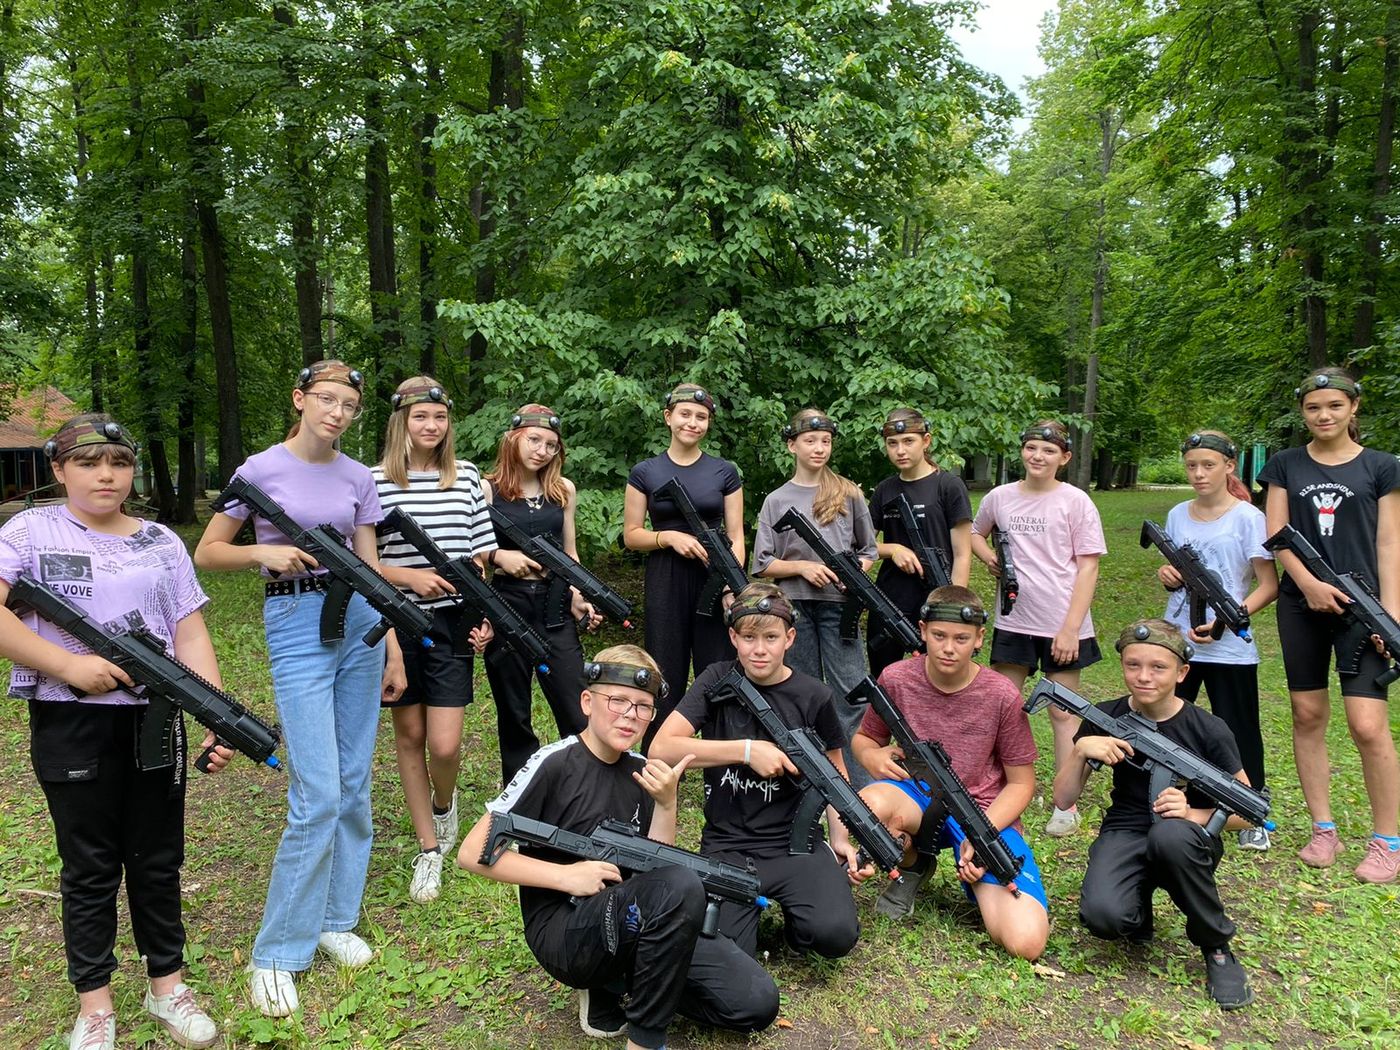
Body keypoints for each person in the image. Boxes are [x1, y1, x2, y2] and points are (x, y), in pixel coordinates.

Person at [0, 414, 233, 1050]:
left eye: (120, 463)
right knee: (90, 865)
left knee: (158, 859)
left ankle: (168, 987)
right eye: (87, 463)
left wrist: (214, 715)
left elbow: (188, 631)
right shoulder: (28, 531)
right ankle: (95, 1006)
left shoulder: (161, 540)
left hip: (155, 715)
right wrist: (68, 665)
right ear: (58, 469)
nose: (106, 476)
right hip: (71, 718)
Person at [195, 360, 406, 1016]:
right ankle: (277, 953)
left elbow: (371, 566)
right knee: (317, 793)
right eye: (327, 399)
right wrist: (261, 553)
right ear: (300, 399)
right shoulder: (259, 470)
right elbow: (208, 551)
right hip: (295, 618)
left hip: (361, 621)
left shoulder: (358, 476)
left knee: (354, 782)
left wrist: (393, 646)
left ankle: (335, 920)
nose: (337, 413)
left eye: (349, 405)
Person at [457, 644, 779, 1050]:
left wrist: (667, 803)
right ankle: (643, 1037)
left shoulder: (642, 770)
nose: (630, 715)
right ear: (587, 702)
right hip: (565, 929)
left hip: (632, 917)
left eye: (643, 707)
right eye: (618, 701)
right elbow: (472, 852)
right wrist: (566, 876)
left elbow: (658, 872)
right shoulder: (554, 762)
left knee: (755, 1002)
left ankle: (623, 983)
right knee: (681, 886)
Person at [649, 582, 873, 962]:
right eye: (749, 637)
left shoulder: (814, 695)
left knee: (834, 934)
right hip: (728, 843)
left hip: (795, 844)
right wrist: (747, 751)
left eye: (771, 637)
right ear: (733, 638)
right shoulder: (716, 679)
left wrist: (840, 839)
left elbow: (835, 772)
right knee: (727, 952)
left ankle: (797, 925)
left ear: (790, 639)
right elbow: (662, 748)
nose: (759, 649)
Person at [1054, 619, 1256, 1010]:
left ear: (1182, 672)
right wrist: (1080, 751)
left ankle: (1217, 948)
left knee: (1169, 836)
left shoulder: (1208, 729)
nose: (1144, 676)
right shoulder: (1106, 716)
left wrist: (1193, 814)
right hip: (1126, 830)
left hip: (1186, 838)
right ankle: (1137, 906)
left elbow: (1248, 813)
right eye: (1133, 665)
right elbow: (1063, 799)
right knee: (1104, 916)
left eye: (1158, 667)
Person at [1257, 367, 1400, 883]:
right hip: (1301, 605)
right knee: (1307, 713)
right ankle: (1324, 828)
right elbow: (1277, 534)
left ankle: (1388, 841)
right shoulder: (1284, 464)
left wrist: (1391, 616)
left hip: (1364, 607)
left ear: (1353, 407)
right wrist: (1308, 584)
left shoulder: (1382, 466)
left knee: (1367, 725)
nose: (1324, 415)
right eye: (1314, 407)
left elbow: (1389, 542)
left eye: (1335, 406)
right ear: (1303, 412)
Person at [854, 586, 1049, 960]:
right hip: (916, 798)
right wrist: (872, 757)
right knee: (868, 805)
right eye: (939, 636)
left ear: (979, 639)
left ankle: (976, 876)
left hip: (983, 810)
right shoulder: (897, 678)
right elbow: (865, 739)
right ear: (923, 631)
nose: (948, 648)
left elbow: (1022, 783)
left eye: (961, 639)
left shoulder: (1001, 694)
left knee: (1026, 942)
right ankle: (912, 864)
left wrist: (983, 833)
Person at [373, 377, 495, 903]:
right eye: (420, 417)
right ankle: (429, 849)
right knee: (410, 736)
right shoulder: (373, 481)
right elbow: (363, 562)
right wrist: (410, 578)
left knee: (444, 744)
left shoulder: (465, 477)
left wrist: (485, 612)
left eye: (439, 417)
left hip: (452, 621)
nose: (431, 425)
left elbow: (480, 555)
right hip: (395, 622)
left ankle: (444, 805)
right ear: (400, 421)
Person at [971, 420, 1105, 837]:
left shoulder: (1076, 501)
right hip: (1014, 621)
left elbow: (1088, 567)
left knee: (1063, 713)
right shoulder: (1000, 497)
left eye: (1048, 451)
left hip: (1062, 623)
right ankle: (998, 791)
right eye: (1031, 448)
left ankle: (1066, 804)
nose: (1038, 456)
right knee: (1003, 707)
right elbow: (975, 533)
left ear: (1064, 457)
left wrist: (1070, 629)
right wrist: (989, 558)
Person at [1156, 430, 1279, 850]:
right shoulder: (1177, 514)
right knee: (1168, 722)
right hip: (1178, 640)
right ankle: (1166, 800)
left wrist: (1229, 620)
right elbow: (1174, 574)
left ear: (1229, 466)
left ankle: (1252, 809)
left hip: (1230, 646)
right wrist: (1167, 575)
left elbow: (1268, 585)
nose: (1199, 473)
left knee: (1238, 728)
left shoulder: (1247, 518)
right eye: (1191, 465)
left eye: (1208, 465)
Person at [751, 408, 877, 784]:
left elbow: (869, 550)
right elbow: (762, 563)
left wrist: (853, 575)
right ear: (792, 446)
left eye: (825, 441)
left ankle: (859, 786)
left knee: (852, 693)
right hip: (794, 608)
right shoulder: (776, 500)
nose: (819, 448)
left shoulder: (847, 492)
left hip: (841, 608)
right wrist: (802, 568)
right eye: (810, 441)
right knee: (801, 692)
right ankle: (810, 781)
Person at [482, 405, 600, 784]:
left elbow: (570, 553)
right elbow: (475, 552)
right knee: (514, 711)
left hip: (555, 604)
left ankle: (582, 785)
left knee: (576, 704)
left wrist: (578, 594)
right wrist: (500, 556)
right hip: (508, 603)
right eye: (534, 440)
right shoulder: (487, 489)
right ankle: (520, 795)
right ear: (513, 439)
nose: (542, 450)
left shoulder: (563, 490)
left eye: (551, 445)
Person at [623, 383, 744, 743]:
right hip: (666, 578)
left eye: (701, 417)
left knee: (718, 672)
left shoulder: (725, 471)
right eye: (685, 414)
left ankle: (721, 764)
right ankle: (657, 758)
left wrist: (730, 584)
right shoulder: (645, 471)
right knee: (664, 671)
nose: (693, 422)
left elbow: (737, 537)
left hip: (714, 577)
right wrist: (668, 538)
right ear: (668, 417)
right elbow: (631, 534)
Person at [866, 407, 973, 679]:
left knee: (936, 677)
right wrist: (893, 549)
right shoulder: (884, 489)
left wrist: (953, 606)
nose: (900, 450)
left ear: (926, 441)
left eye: (908, 441)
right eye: (892, 444)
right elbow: (863, 545)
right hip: (890, 598)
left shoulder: (948, 485)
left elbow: (962, 554)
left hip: (936, 596)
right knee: (883, 676)